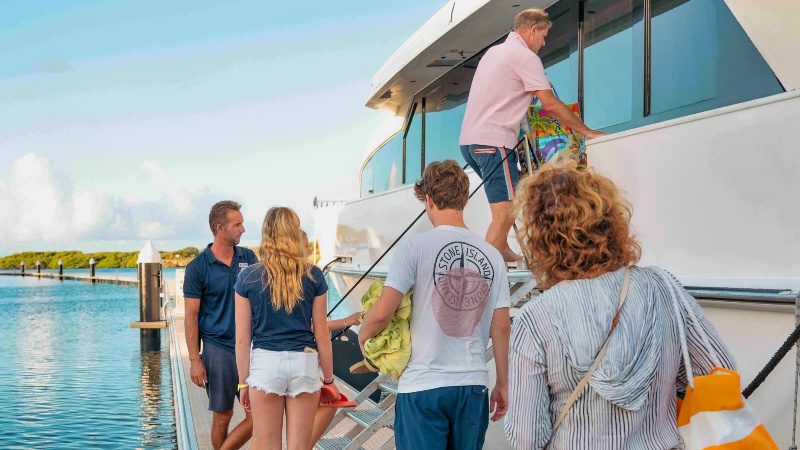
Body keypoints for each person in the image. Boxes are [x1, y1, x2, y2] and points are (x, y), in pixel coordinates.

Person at [505, 162, 736, 449]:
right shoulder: (663, 287)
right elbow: (719, 367)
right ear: (610, 222)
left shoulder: (536, 318)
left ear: (541, 238)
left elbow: (527, 438)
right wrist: (659, 385)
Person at [359, 160, 512, 450]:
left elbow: (382, 314)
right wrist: (502, 382)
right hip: (472, 384)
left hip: (424, 385)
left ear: (428, 200)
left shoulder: (414, 247)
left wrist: (364, 337)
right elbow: (501, 326)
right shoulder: (492, 255)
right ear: (464, 199)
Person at [459, 8, 606, 262]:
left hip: (470, 143)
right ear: (532, 29)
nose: (544, 43)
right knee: (506, 212)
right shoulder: (525, 57)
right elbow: (549, 104)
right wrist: (586, 131)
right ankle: (484, 272)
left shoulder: (494, 53)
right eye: (544, 35)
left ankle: (502, 249)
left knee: (507, 205)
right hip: (494, 143)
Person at [233, 207, 338, 450]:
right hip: (304, 363)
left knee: (266, 444)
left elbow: (242, 338)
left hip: (266, 363)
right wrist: (329, 379)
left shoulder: (248, 277)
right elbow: (321, 333)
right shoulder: (313, 275)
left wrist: (242, 383)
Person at [183, 200, 258, 450]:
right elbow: (191, 316)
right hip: (218, 349)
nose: (243, 229)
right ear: (220, 228)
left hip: (250, 348)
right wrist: (195, 359)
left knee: (257, 414)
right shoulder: (197, 268)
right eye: (237, 224)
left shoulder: (248, 258)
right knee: (223, 414)